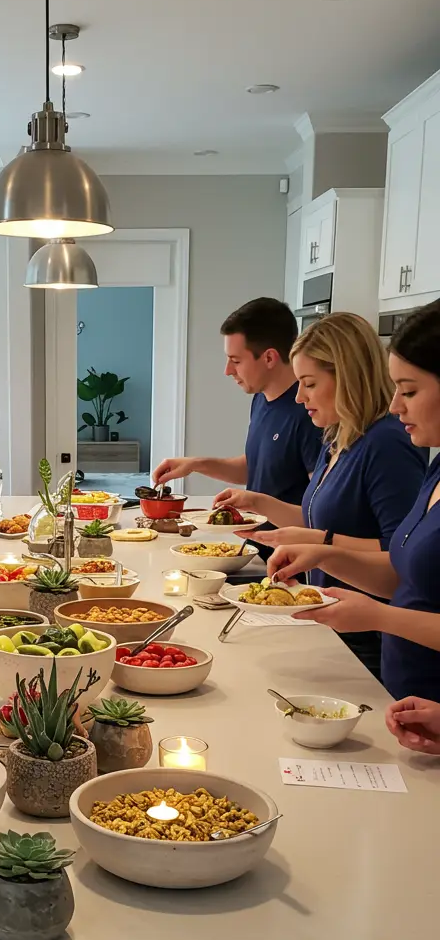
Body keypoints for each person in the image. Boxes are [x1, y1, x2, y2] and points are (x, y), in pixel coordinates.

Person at [215, 314, 427, 678]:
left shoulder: (387, 443)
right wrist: (258, 503)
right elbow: (319, 516)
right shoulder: (338, 436)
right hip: (328, 618)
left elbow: (399, 553)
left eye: (309, 384)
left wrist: (322, 544)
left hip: (367, 639)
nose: (299, 397)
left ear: (347, 378)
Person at [265, 298, 440, 702]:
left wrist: (326, 548)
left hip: (382, 663)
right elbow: (403, 564)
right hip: (408, 693)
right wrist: (322, 553)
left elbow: (397, 572)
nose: (397, 405)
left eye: (409, 390)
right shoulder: (430, 466)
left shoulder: (388, 443)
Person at [153, 297, 322, 507]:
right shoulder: (260, 398)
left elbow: (319, 510)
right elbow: (257, 467)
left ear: (269, 358)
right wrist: (195, 464)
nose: (227, 370)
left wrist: (259, 506)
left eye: (236, 361)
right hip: (254, 539)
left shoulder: (311, 412)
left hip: (286, 541)